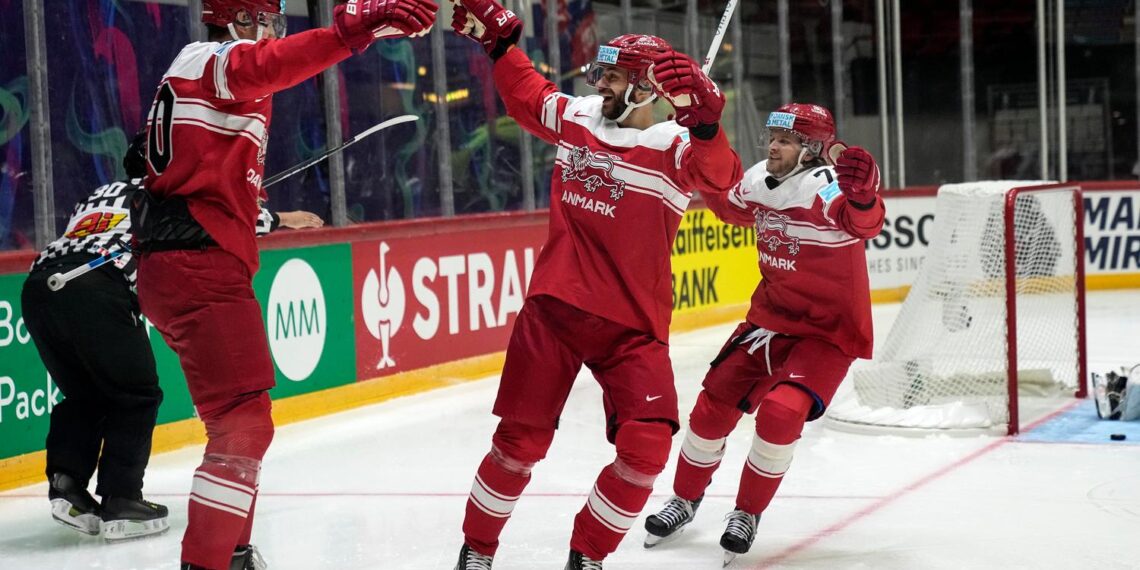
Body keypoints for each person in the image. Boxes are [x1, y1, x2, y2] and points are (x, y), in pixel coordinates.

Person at [133, 1, 437, 568]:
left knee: (235, 417)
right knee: (245, 421)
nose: (273, 31)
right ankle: (210, 560)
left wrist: (255, 207)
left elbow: (177, 170)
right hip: (200, 265)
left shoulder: (191, 76)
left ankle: (236, 550)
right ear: (241, 19)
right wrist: (352, 31)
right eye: (266, 20)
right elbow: (269, 65)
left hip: (176, 262)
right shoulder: (214, 57)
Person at [447, 2, 742, 569]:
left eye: (611, 75)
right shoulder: (579, 116)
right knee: (518, 445)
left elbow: (722, 178)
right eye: (601, 72)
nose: (597, 81)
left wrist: (705, 124)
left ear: (644, 88)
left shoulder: (674, 146)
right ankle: (476, 552)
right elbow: (528, 96)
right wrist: (502, 47)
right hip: (554, 311)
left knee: (648, 448)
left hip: (633, 327)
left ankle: (587, 556)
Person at [20, 131, 322, 543]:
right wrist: (278, 216)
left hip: (41, 287)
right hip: (97, 287)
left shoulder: (100, 192)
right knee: (137, 393)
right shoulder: (168, 195)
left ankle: (67, 483)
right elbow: (219, 224)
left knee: (88, 393)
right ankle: (122, 498)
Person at [642, 103, 885, 564]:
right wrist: (696, 152)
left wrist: (866, 198)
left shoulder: (828, 188)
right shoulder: (758, 178)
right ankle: (685, 499)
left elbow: (863, 223)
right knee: (711, 406)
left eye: (786, 140)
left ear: (811, 149)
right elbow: (727, 206)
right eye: (772, 137)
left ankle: (747, 513)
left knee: (779, 413)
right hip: (770, 321)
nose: (773, 145)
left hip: (825, 334)